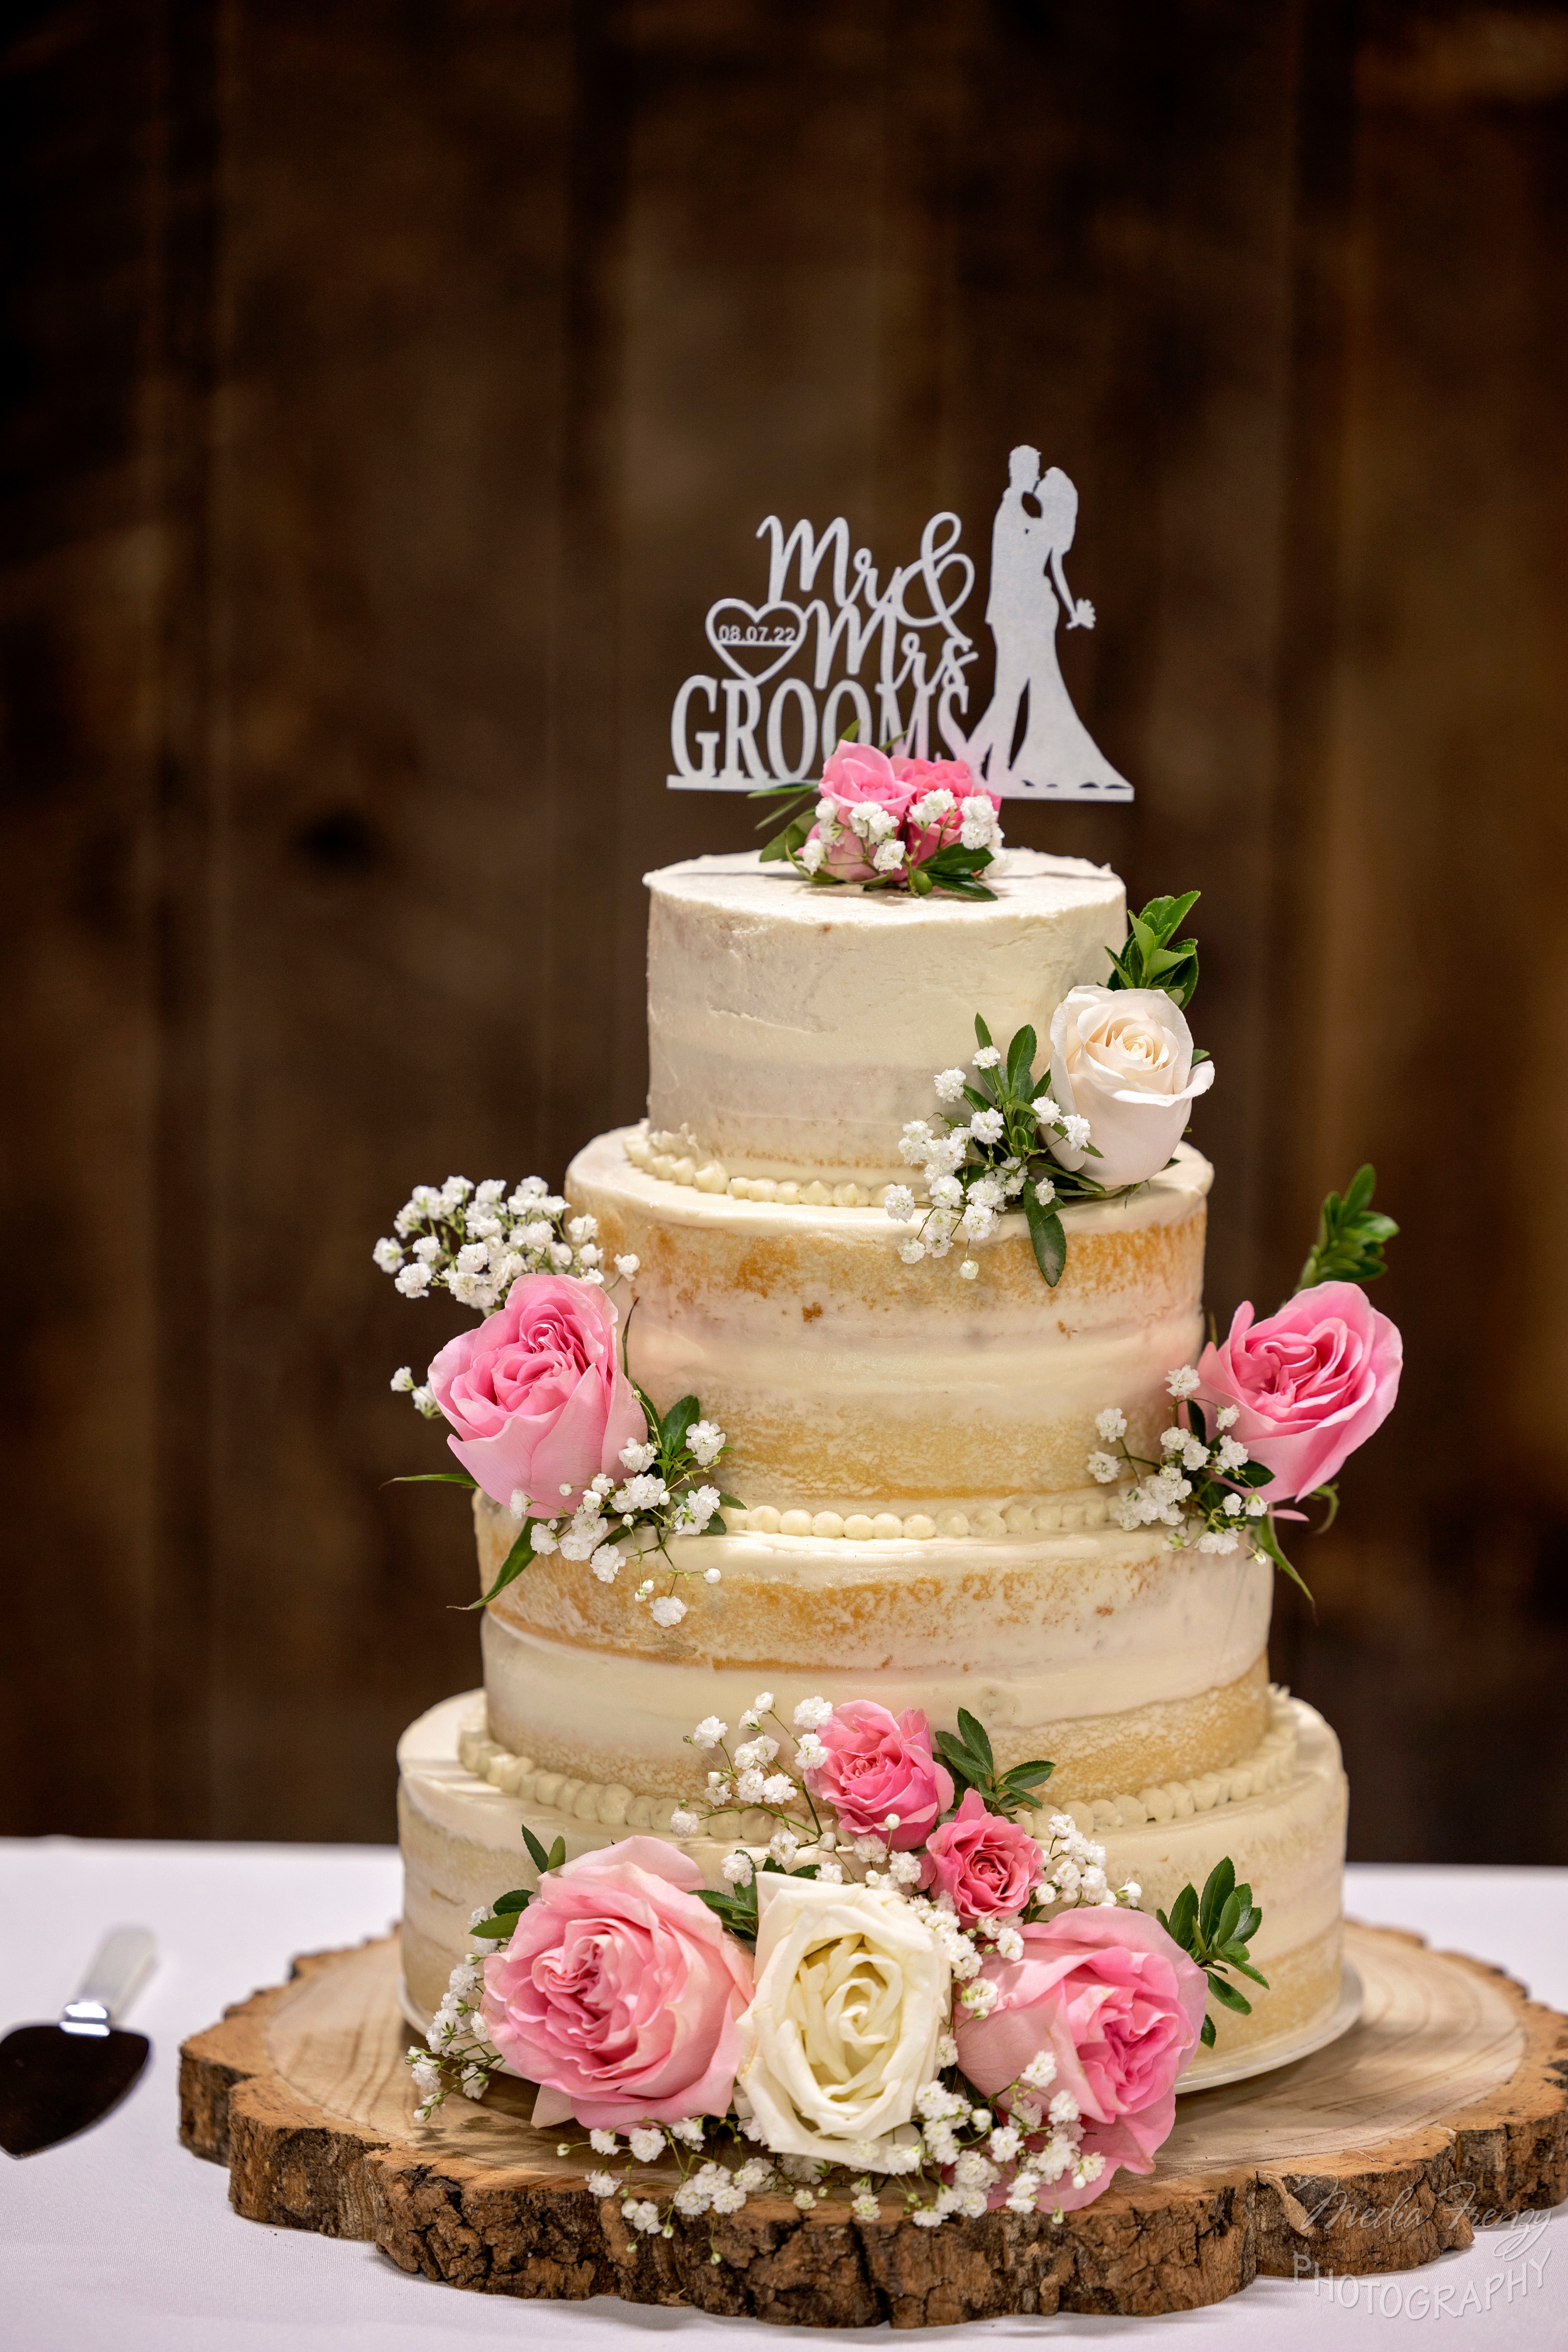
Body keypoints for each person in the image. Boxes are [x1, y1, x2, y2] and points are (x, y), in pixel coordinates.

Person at [965, 450, 1132, 796]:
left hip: (1033, 613)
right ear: (1018, 472)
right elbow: (1033, 557)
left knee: (1014, 690)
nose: (1035, 477)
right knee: (1010, 690)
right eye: (1032, 471)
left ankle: (985, 763)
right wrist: (1056, 520)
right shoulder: (1013, 513)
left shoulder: (1027, 516)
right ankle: (979, 762)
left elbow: (1054, 569)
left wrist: (1073, 610)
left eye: (1036, 472)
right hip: (1014, 614)